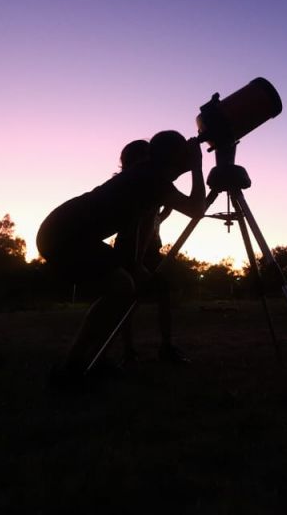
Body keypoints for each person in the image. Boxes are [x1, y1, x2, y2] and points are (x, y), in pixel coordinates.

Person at [38, 130, 205, 389]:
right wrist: (198, 167)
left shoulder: (148, 176)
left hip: (63, 231)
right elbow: (196, 209)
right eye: (184, 154)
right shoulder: (153, 179)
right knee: (121, 287)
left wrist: (137, 265)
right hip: (63, 235)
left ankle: (94, 359)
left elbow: (138, 227)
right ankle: (71, 368)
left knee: (123, 288)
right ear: (172, 158)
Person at [117, 139, 190, 366]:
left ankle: (163, 347)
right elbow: (140, 222)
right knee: (129, 300)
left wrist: (165, 211)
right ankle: (130, 350)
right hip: (132, 251)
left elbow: (152, 220)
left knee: (161, 294)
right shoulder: (136, 187)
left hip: (149, 250)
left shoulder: (147, 185)